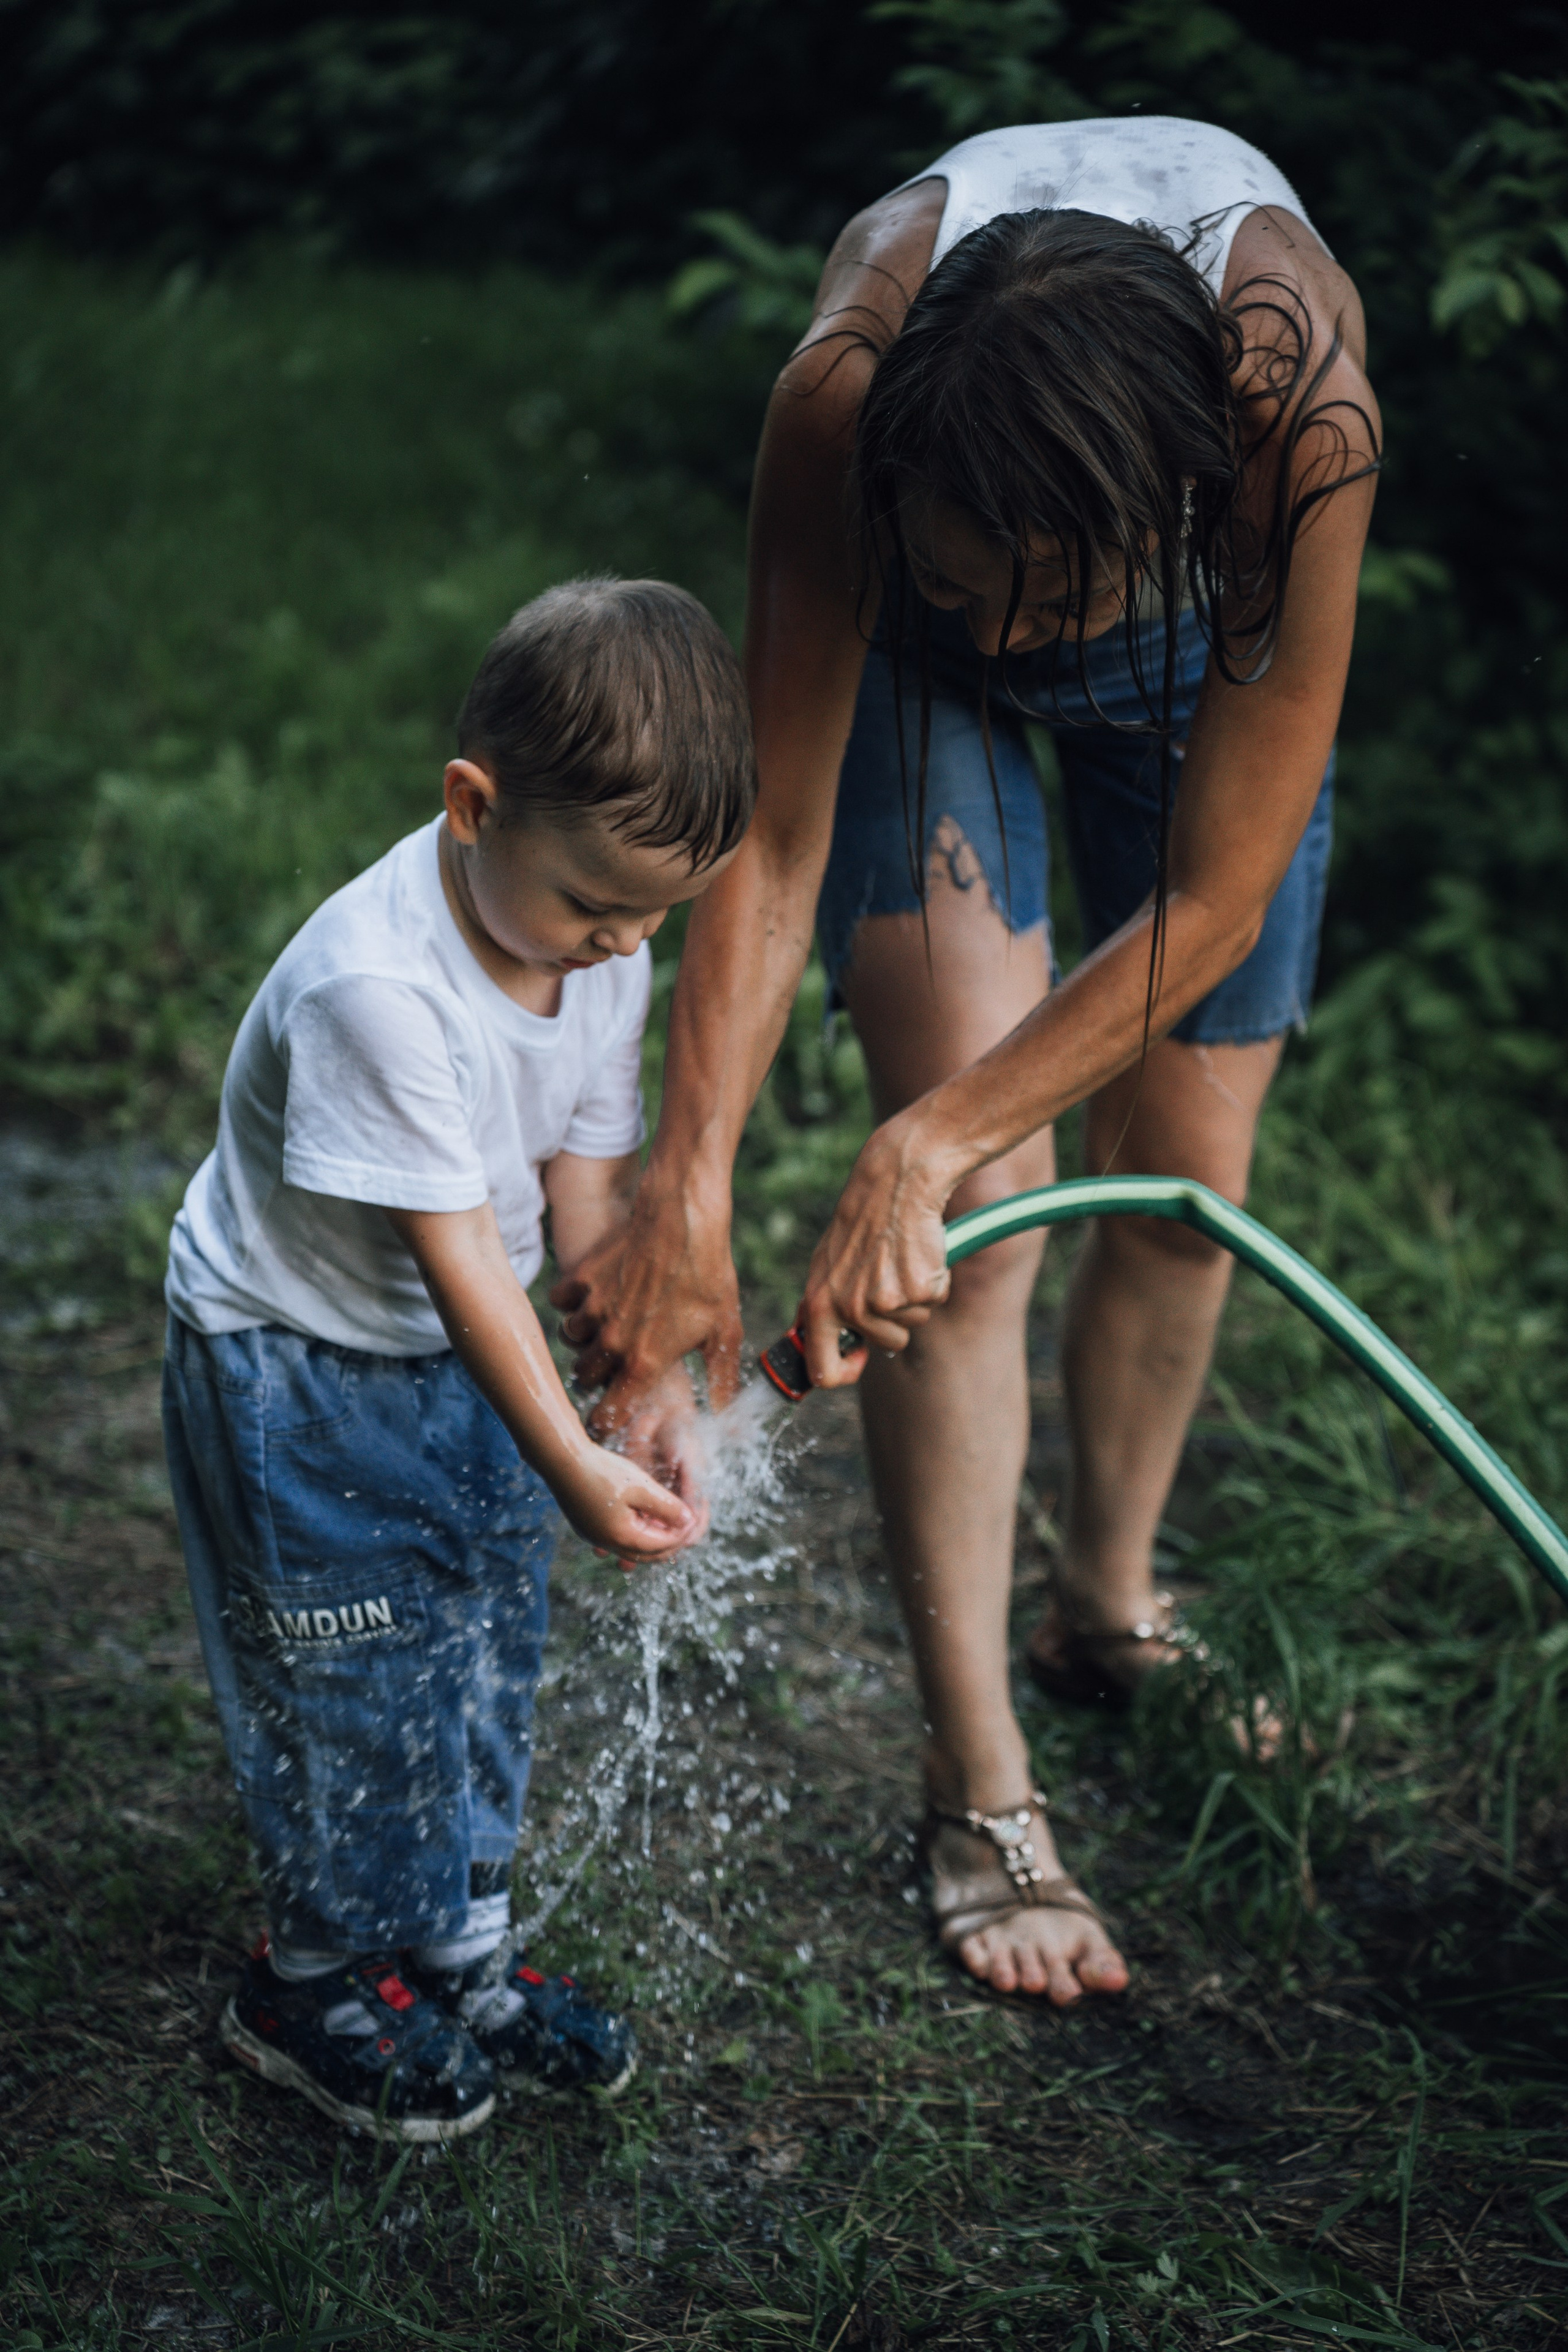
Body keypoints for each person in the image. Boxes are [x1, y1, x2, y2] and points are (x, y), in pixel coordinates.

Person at [552, 121, 1381, 2009]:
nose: (1021, 639)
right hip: (905, 683)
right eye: (973, 577)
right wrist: (688, 1195)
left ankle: (1108, 1601)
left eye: (1046, 603)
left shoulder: (1301, 435)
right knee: (987, 1224)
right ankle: (979, 1780)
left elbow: (1216, 900)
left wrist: (918, 1142)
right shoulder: (845, 397)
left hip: (1199, 673)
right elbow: (771, 839)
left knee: (1179, 1192)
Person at [162, 578, 755, 2140]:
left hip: (454, 1352)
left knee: (482, 1643)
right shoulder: (377, 984)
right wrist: (569, 1458)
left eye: (651, 922)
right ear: (472, 807)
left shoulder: (598, 934)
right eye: (595, 912)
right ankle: (308, 1977)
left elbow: (572, 1196)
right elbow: (456, 1255)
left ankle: (455, 1950)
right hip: (299, 1364)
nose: (623, 948)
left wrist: (636, 1380)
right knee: (352, 1663)